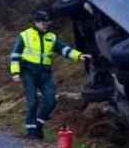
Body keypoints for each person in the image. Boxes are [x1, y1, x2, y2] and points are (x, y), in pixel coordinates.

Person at [9, 10, 91, 139]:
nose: (46, 25)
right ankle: (31, 131)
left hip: (44, 73)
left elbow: (63, 49)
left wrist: (79, 55)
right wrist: (15, 72)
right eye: (43, 22)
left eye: (47, 22)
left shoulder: (51, 37)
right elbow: (15, 55)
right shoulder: (25, 36)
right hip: (28, 72)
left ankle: (39, 124)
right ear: (36, 22)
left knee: (50, 100)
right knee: (33, 102)